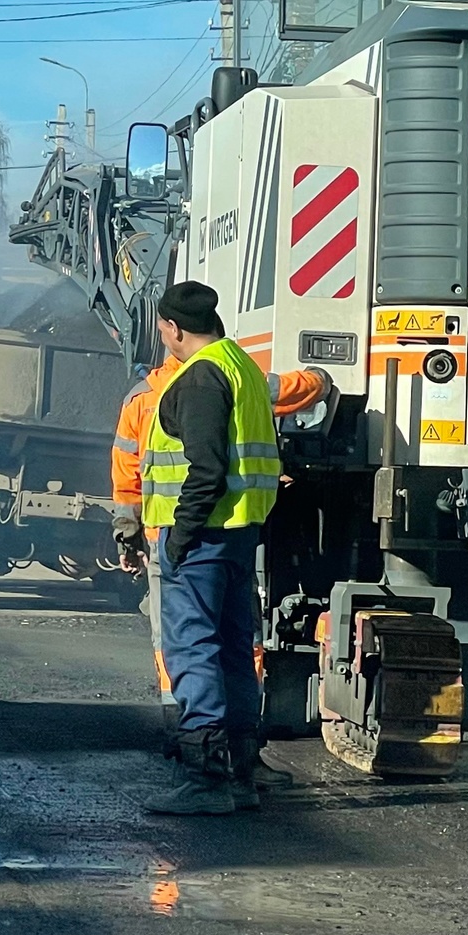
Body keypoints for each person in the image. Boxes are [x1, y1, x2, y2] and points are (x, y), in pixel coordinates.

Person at [114, 346, 332, 785]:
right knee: (239, 641)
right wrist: (320, 379)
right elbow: (289, 390)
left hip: (173, 538)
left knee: (181, 646)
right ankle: (240, 757)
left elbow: (127, 470)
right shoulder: (240, 375)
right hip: (232, 531)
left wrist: (127, 532)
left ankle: (190, 745)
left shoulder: (146, 394)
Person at [135, 280, 282, 815]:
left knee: (192, 649)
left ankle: (206, 779)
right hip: (240, 534)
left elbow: (207, 469)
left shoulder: (199, 378)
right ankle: (241, 775)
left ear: (173, 328)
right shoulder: (241, 365)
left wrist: (178, 534)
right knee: (232, 650)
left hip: (202, 539)